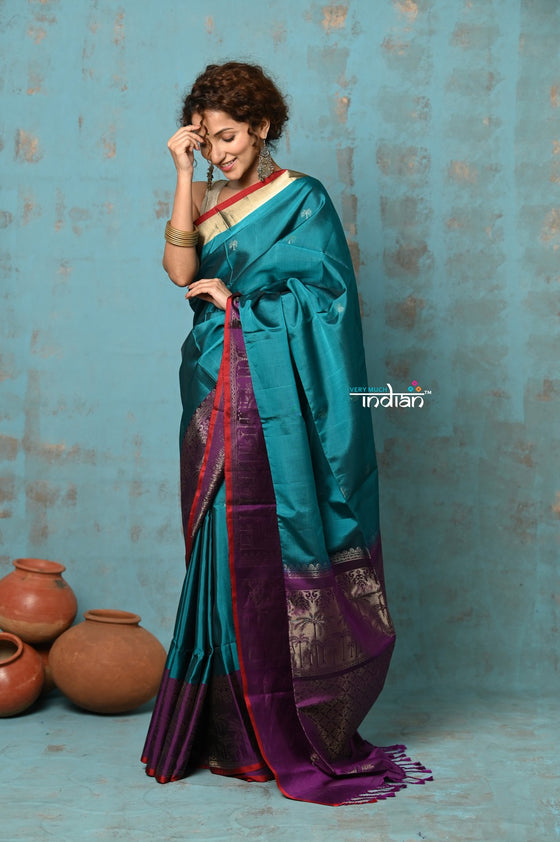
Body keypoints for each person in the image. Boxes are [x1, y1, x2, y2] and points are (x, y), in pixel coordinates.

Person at [141, 61, 431, 806]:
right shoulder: (201, 192)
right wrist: (182, 172)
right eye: (206, 139)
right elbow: (179, 270)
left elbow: (327, 301)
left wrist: (240, 305)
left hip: (275, 393)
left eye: (228, 137)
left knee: (271, 540)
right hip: (213, 384)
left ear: (262, 127)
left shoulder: (304, 199)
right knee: (218, 545)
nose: (219, 153)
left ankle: (277, 724)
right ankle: (220, 729)